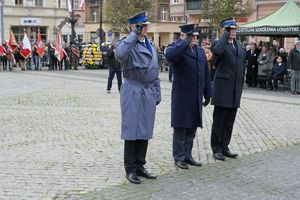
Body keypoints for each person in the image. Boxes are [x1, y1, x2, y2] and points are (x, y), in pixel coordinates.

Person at [115, 11, 161, 184]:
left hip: (148, 91)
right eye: (141, 26)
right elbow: (120, 55)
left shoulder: (149, 44)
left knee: (145, 130)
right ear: (134, 27)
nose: (145, 28)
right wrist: (133, 34)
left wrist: (157, 93)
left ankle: (140, 165)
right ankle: (130, 169)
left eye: (146, 25)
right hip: (133, 90)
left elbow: (155, 72)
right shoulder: (127, 43)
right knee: (132, 129)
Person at [165, 24, 212, 169]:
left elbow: (205, 73)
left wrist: (208, 93)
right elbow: (170, 56)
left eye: (195, 36)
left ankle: (188, 155)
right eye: (191, 36)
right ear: (184, 36)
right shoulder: (177, 48)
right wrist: (183, 42)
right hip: (182, 95)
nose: (194, 39)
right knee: (181, 127)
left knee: (192, 126)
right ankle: (179, 157)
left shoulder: (199, 50)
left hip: (195, 95)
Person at [210, 18, 246, 161]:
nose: (233, 32)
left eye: (234, 29)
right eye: (230, 29)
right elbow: (216, 52)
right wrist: (224, 36)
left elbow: (242, 64)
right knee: (219, 121)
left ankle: (225, 146)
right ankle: (216, 148)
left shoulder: (239, 45)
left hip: (235, 90)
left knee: (229, 121)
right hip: (222, 89)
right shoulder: (219, 44)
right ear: (224, 31)